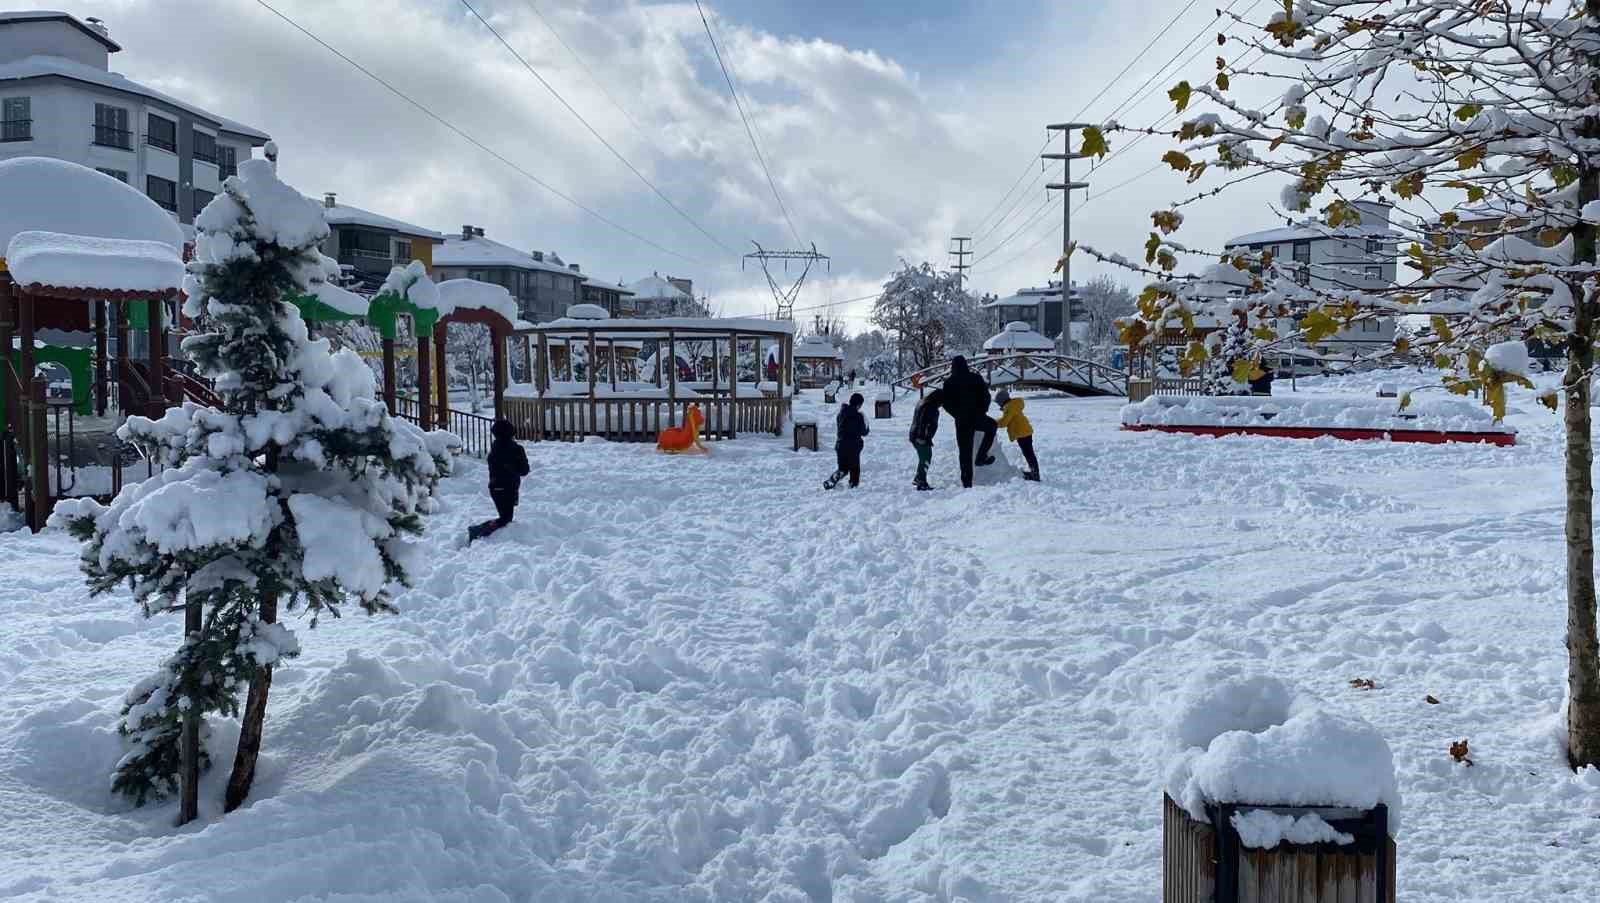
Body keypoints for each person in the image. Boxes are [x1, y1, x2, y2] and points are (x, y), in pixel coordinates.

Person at [939, 356, 997, 489]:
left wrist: (957, 415)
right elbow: (986, 397)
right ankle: (981, 456)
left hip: (961, 422)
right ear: (966, 365)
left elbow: (946, 403)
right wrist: (982, 411)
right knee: (992, 426)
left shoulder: (949, 382)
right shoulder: (976, 378)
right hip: (977, 417)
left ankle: (967, 483)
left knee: (965, 452)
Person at [468, 419, 529, 543]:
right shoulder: (517, 449)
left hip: (495, 487)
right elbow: (524, 470)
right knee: (505, 519)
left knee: (505, 517)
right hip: (509, 488)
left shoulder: (494, 449)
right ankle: (477, 531)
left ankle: (479, 530)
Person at [824, 392, 869, 490]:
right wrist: (867, 424)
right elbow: (864, 432)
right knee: (854, 468)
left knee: (843, 469)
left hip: (840, 445)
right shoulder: (858, 416)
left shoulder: (841, 413)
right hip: (853, 446)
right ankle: (853, 485)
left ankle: (833, 479)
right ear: (859, 404)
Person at [994, 388, 1040, 481]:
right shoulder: (1013, 405)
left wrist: (991, 423)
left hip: (1022, 433)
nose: (998, 404)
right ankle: (1034, 472)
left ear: (1002, 401)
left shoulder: (1009, 408)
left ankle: (1035, 474)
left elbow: (1003, 422)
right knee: (1028, 453)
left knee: (1029, 454)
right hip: (1024, 432)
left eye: (998, 402)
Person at [908, 388, 943, 490]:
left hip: (915, 434)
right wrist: (922, 437)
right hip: (921, 437)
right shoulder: (930, 406)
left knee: (923, 458)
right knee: (926, 458)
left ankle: (918, 478)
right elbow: (923, 423)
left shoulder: (924, 402)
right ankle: (921, 481)